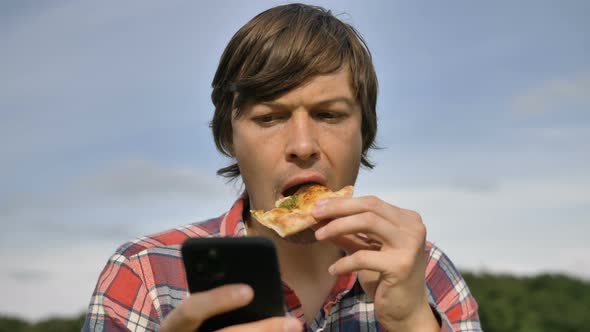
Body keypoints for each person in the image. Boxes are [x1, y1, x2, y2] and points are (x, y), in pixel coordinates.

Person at [83, 3, 481, 331]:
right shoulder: (145, 276)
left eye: (329, 115)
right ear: (229, 138)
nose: (303, 146)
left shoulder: (422, 270)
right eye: (269, 118)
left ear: (365, 132)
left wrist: (414, 322)